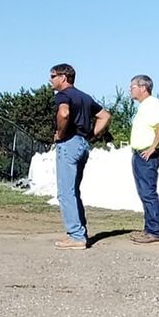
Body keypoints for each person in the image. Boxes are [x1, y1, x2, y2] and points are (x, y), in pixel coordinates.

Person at [50, 63, 110, 249]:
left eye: (53, 76)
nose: (50, 80)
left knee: (66, 193)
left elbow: (64, 113)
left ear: (63, 77)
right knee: (74, 191)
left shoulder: (63, 95)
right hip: (83, 145)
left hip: (68, 144)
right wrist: (91, 136)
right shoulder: (84, 97)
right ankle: (80, 231)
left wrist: (60, 133)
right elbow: (105, 116)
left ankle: (76, 236)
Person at [127, 74, 159, 244]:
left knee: (148, 192)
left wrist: (152, 147)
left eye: (133, 87)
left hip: (147, 155)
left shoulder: (153, 104)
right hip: (139, 154)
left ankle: (155, 232)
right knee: (144, 192)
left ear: (143, 88)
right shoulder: (144, 106)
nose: (130, 90)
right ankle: (149, 228)